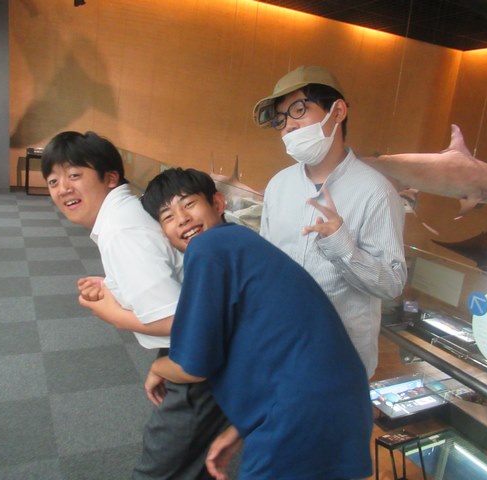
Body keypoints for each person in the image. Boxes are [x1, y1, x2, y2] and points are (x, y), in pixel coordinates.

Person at [141, 167, 373, 480]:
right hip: (339, 399)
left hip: (295, 411)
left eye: (189, 204)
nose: (182, 218)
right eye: (167, 216)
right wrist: (240, 429)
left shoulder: (207, 248)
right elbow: (270, 344)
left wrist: (157, 368)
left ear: (218, 203)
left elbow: (194, 366)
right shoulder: (242, 242)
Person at [40, 131, 227, 480]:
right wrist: (115, 287)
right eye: (53, 181)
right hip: (207, 344)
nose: (63, 188)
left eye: (75, 175)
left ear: (110, 177)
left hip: (203, 356)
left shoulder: (120, 230)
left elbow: (181, 322)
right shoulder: (127, 211)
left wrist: (114, 315)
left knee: (162, 468)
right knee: (194, 463)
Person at [253, 65, 407, 378]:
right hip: (277, 345)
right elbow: (268, 264)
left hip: (338, 360)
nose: (289, 126)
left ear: (337, 112)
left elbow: (392, 284)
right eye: (280, 119)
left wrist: (341, 244)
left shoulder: (376, 192)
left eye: (299, 110)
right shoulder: (279, 184)